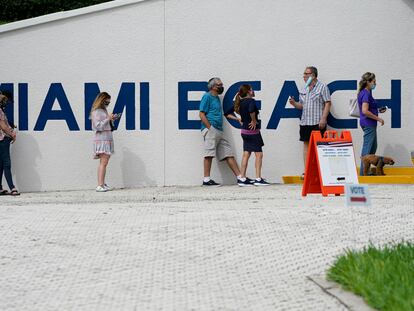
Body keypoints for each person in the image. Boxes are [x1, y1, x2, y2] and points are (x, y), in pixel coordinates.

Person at [199, 77, 245, 186]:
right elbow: (201, 114)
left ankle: (240, 178)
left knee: (228, 153)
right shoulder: (207, 96)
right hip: (211, 129)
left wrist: (237, 118)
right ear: (213, 87)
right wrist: (210, 128)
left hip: (219, 130)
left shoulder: (217, 98)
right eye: (219, 85)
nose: (221, 86)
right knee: (209, 153)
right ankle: (206, 179)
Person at [289, 66, 331, 177]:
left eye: (306, 74)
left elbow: (328, 103)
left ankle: (321, 171)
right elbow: (301, 105)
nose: (304, 76)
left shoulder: (322, 87)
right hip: (305, 121)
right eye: (304, 74)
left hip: (318, 122)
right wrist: (294, 103)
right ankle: (307, 170)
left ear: (313, 75)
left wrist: (323, 118)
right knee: (306, 145)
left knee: (320, 146)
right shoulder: (303, 88)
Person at [225, 84, 269, 186]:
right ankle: (258, 178)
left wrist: (238, 119)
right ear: (249, 92)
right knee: (259, 154)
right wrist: (253, 121)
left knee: (246, 154)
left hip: (244, 132)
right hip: (253, 132)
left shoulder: (239, 103)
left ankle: (242, 178)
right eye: (252, 90)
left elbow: (227, 113)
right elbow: (251, 110)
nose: (253, 92)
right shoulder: (251, 101)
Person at [357, 72, 385, 175]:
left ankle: (367, 171)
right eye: (374, 81)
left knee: (373, 146)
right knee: (367, 148)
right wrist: (378, 118)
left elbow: (368, 109)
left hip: (369, 123)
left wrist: (377, 110)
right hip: (368, 123)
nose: (375, 83)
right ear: (368, 82)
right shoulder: (365, 93)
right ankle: (363, 172)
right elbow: (365, 111)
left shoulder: (366, 93)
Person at [90, 92, 118, 192]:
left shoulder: (103, 110)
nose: (108, 103)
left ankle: (102, 183)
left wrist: (111, 119)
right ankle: (100, 185)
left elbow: (105, 123)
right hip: (102, 139)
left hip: (107, 138)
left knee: (104, 163)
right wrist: (108, 119)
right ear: (102, 100)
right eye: (107, 101)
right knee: (103, 162)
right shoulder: (96, 111)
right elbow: (97, 126)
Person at [0, 91, 19, 195]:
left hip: (2, 139)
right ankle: (12, 188)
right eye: (6, 99)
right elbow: (3, 126)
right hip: (3, 140)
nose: (6, 102)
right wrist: (12, 134)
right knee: (7, 163)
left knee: (1, 164)